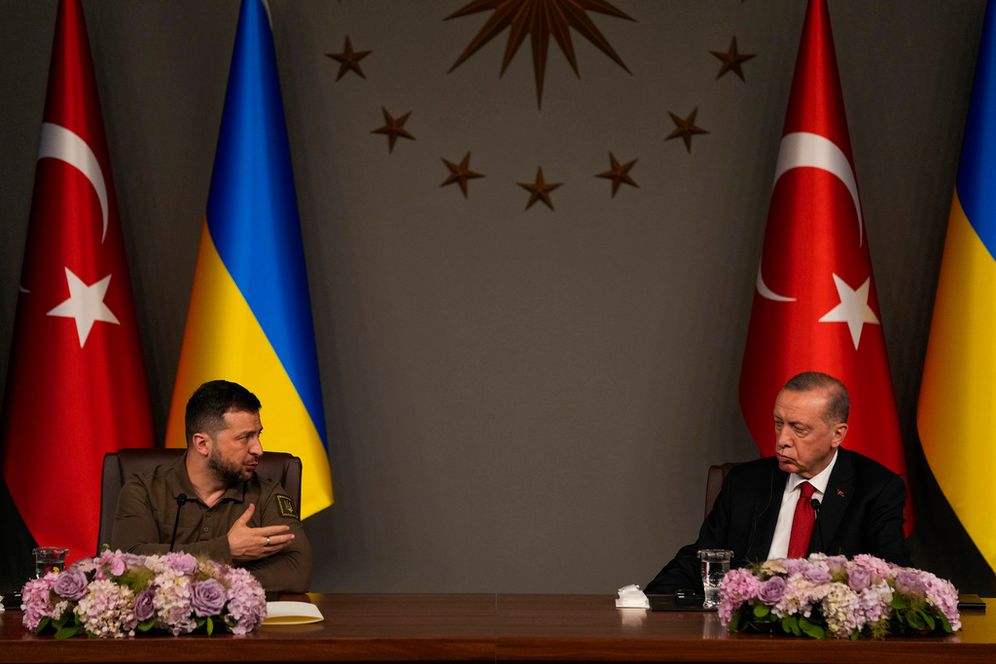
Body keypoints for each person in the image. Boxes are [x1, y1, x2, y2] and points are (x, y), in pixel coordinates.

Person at [645, 371, 909, 594]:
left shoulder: (876, 489)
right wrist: (646, 602)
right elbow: (703, 557)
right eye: (778, 423)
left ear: (837, 434)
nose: (782, 439)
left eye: (798, 428)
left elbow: (889, 576)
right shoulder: (745, 482)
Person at [111, 380, 312, 592]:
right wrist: (226, 549)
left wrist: (214, 587)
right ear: (202, 444)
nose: (258, 449)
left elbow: (298, 570)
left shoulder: (266, 493)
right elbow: (127, 564)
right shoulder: (143, 490)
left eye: (258, 435)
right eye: (245, 438)